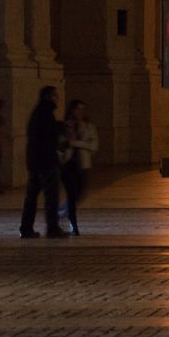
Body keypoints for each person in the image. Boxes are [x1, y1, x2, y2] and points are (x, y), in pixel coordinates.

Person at [20, 86, 67, 238]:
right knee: (51, 196)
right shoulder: (45, 113)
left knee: (31, 197)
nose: (57, 98)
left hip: (34, 161)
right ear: (48, 96)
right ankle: (52, 228)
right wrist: (61, 128)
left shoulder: (38, 112)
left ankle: (26, 228)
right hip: (46, 161)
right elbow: (48, 136)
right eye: (55, 95)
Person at [60, 100, 99, 236]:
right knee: (71, 195)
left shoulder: (89, 127)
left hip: (83, 165)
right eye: (78, 109)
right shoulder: (65, 126)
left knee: (80, 193)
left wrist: (76, 143)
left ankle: (62, 212)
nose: (81, 112)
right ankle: (73, 224)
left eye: (83, 109)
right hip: (68, 166)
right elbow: (61, 144)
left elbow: (93, 146)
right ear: (72, 110)